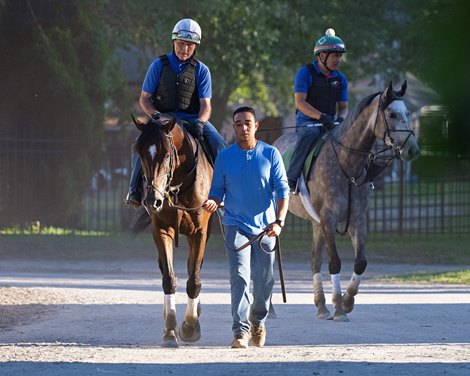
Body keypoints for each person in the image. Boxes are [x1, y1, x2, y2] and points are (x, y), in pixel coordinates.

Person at [203, 106, 289, 348]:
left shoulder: (271, 154)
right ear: (234, 127)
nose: (243, 128)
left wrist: (279, 221)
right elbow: (217, 189)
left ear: (256, 125)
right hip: (235, 225)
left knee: (264, 281)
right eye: (238, 124)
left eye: (248, 123)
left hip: (266, 228)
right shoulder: (225, 157)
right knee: (239, 278)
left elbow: (283, 190)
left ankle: (257, 321)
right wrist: (213, 200)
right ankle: (240, 332)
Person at [126, 18, 227, 207]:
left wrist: (201, 122)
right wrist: (155, 115)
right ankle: (134, 191)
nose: (185, 49)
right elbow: (144, 99)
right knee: (139, 146)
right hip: (162, 120)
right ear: (173, 42)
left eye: (190, 45)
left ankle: (222, 193)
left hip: (192, 120)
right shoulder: (158, 65)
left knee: (219, 143)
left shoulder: (202, 70)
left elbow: (206, 105)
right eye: (181, 43)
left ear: (196, 46)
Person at [287, 28, 349, 193]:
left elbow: (343, 109)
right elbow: (300, 103)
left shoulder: (341, 78)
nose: (339, 60)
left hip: (331, 122)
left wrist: (341, 120)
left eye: (340, 56)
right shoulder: (305, 73)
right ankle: (291, 180)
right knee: (310, 135)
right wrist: (321, 116)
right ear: (322, 56)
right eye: (335, 56)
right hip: (308, 122)